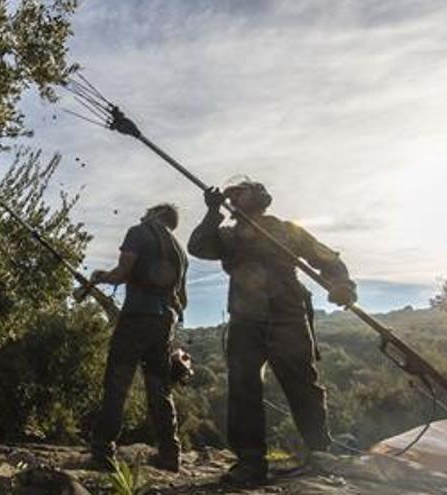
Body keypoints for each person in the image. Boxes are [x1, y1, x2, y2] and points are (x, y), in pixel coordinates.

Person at [188, 179, 357, 485]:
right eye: (233, 193)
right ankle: (250, 463)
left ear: (260, 197)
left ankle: (320, 455)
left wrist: (342, 283)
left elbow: (327, 257)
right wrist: (213, 212)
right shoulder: (227, 235)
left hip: (288, 317)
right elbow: (198, 246)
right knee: (243, 389)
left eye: (242, 191)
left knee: (304, 387)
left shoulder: (286, 230)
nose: (235, 196)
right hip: (245, 319)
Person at [89, 203, 188, 472]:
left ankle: (102, 452)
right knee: (160, 390)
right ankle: (170, 455)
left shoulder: (139, 232)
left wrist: (101, 277)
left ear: (156, 214)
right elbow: (183, 301)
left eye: (148, 211)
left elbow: (122, 272)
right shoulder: (181, 252)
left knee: (117, 385)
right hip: (164, 323)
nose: (142, 214)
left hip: (136, 318)